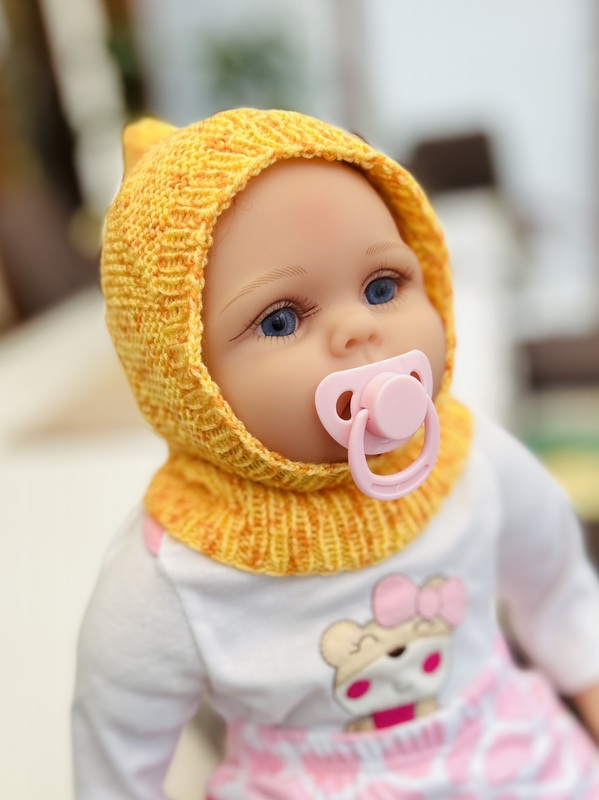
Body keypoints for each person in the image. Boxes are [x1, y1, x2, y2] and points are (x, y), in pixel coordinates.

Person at [73, 108, 599, 799]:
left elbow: (559, 590)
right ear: (181, 381)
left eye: (382, 287)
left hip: (509, 758)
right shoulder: (174, 571)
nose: (358, 329)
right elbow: (116, 755)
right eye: (280, 319)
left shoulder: (468, 457)